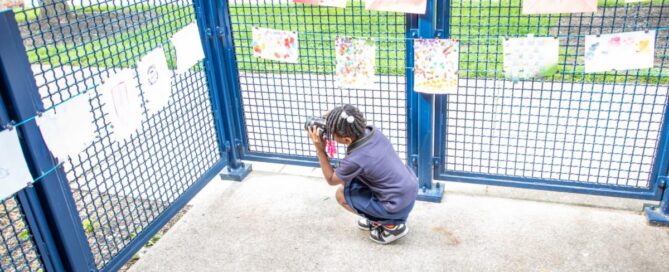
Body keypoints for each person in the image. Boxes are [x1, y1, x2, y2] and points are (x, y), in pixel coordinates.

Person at [307, 104, 418, 244]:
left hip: (396, 205)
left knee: (341, 194)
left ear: (347, 140)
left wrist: (320, 150)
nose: (331, 136)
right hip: (407, 190)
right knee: (350, 181)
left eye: (332, 134)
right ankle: (378, 216)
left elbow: (331, 179)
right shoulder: (373, 132)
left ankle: (392, 226)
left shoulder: (356, 159)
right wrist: (335, 115)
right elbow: (350, 115)